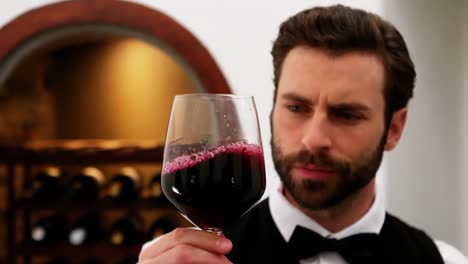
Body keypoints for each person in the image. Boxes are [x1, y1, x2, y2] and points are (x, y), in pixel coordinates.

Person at [138, 4, 468, 264]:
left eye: (346, 114)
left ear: (394, 129)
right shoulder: (174, 258)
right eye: (297, 108)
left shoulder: (444, 261)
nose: (313, 139)